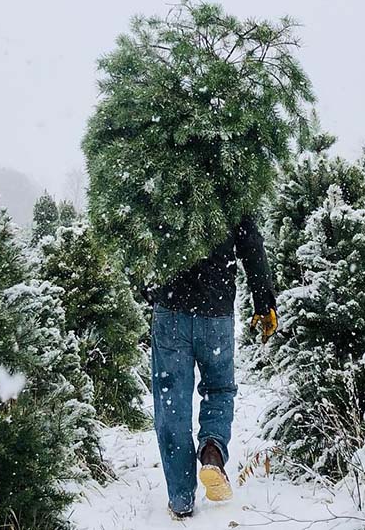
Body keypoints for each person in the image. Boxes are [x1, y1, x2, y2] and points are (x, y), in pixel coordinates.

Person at [148, 214, 278, 519]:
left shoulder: (159, 170)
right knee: (218, 388)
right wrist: (264, 302)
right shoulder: (229, 179)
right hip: (215, 313)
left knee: (171, 400)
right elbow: (252, 246)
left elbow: (133, 234)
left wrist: (148, 287)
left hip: (171, 308)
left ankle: (180, 498)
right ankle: (212, 452)